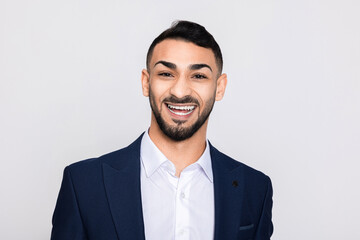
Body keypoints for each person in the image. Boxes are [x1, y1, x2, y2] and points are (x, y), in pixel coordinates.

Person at [51, 20, 273, 240]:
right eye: (166, 74)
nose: (179, 91)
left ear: (219, 87)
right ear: (146, 82)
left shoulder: (255, 189)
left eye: (198, 76)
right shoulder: (83, 184)